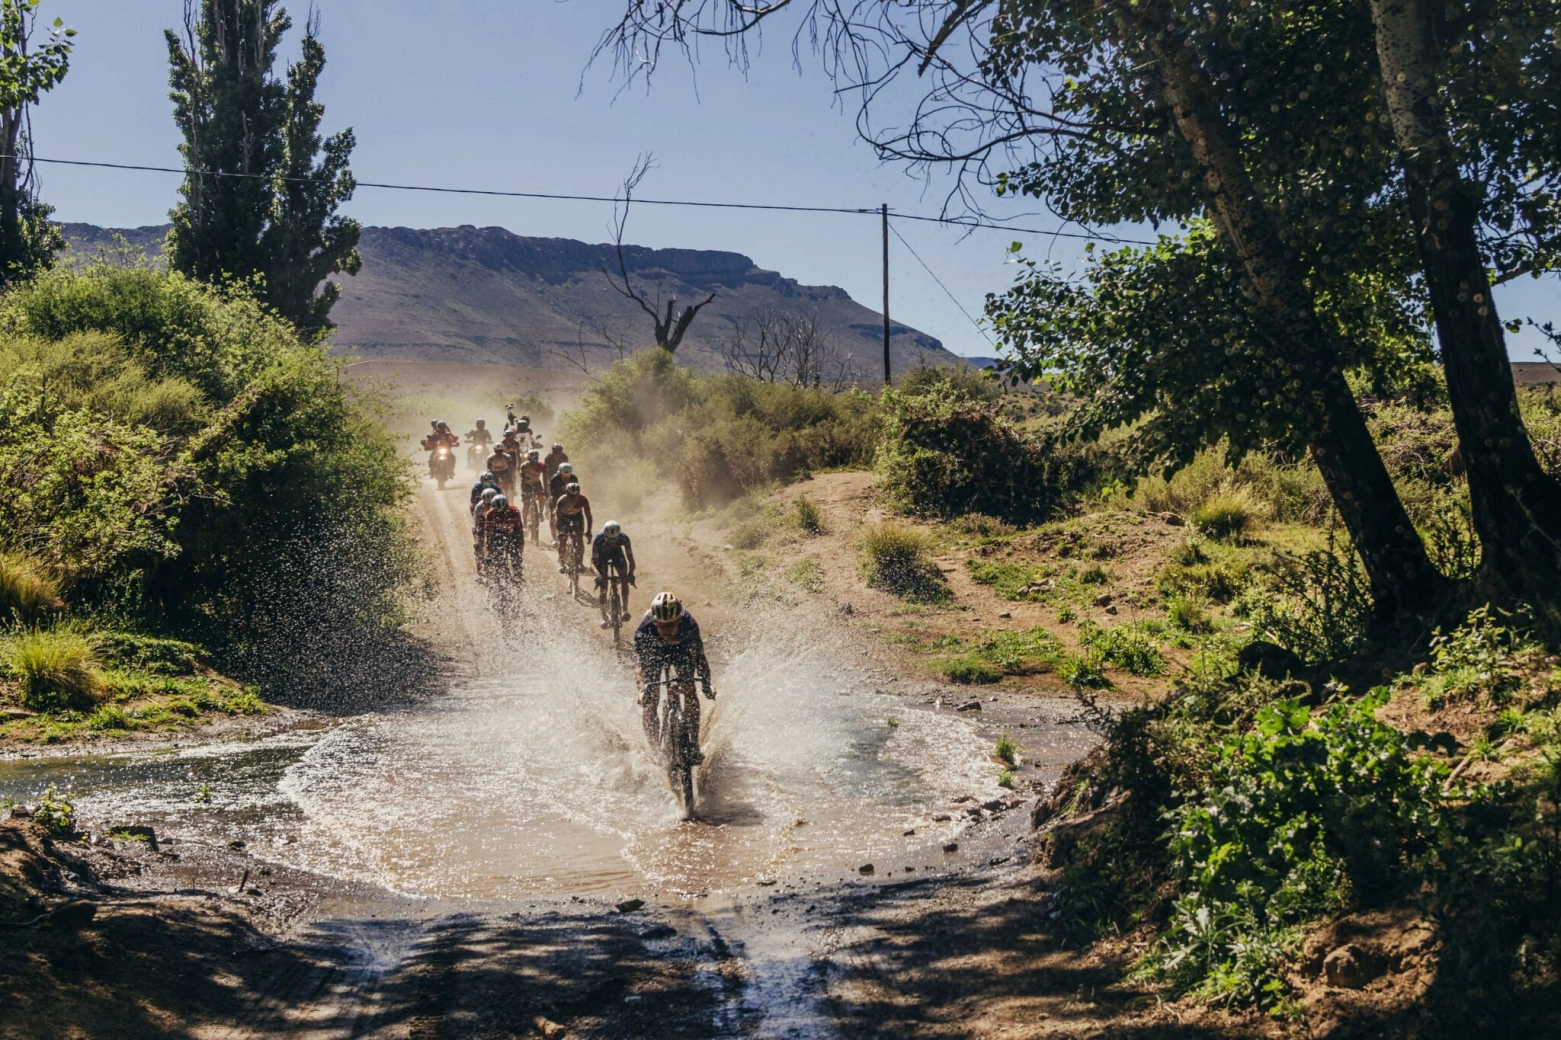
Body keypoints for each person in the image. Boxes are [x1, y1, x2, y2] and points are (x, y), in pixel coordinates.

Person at [632, 592, 714, 755]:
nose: (667, 630)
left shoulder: (689, 624)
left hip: (681, 649)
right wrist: (642, 689)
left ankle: (693, 744)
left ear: (678, 620)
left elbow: (699, 657)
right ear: (655, 623)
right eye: (662, 626)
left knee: (689, 690)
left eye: (671, 625)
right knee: (651, 699)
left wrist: (706, 683)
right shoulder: (644, 630)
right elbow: (639, 667)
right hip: (654, 652)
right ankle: (655, 751)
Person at [591, 520, 637, 629]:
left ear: (618, 536)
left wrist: (630, 574)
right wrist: (598, 575)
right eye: (609, 539)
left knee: (624, 577)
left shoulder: (624, 538)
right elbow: (592, 563)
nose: (612, 541)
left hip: (616, 553)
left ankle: (624, 610)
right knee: (603, 586)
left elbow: (631, 560)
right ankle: (603, 615)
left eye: (614, 539)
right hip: (602, 555)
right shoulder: (598, 539)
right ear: (605, 535)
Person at [482, 493, 525, 585]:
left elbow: (519, 529)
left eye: (503, 511)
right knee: (496, 557)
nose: (501, 513)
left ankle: (518, 574)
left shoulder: (514, 511)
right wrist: (489, 548)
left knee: (515, 556)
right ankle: (498, 573)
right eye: (498, 512)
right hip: (497, 534)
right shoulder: (490, 513)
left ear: (507, 507)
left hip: (512, 533)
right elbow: (488, 532)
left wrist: (520, 545)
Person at [554, 482, 593, 574]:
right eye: (571, 496)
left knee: (579, 539)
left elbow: (588, 516)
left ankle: (580, 562)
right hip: (564, 517)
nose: (574, 498)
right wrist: (560, 531)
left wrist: (589, 531)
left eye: (576, 495)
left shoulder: (583, 499)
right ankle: (562, 562)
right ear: (567, 493)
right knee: (563, 540)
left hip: (577, 517)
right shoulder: (561, 501)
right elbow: (558, 518)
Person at [518, 449, 550, 545]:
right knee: (526, 504)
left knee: (541, 497)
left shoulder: (542, 466)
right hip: (527, 484)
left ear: (537, 459)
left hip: (537, 483)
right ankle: (524, 522)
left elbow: (544, 479)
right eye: (531, 461)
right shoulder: (524, 466)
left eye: (535, 460)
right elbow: (522, 480)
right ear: (528, 459)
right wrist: (523, 492)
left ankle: (540, 512)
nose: (533, 463)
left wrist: (546, 490)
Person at [472, 486, 500, 577]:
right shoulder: (479, 506)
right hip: (481, 523)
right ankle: (479, 568)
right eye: (486, 503)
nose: (488, 505)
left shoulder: (499, 503)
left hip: (493, 523)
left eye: (490, 504)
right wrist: (476, 533)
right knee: (478, 546)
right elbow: (476, 521)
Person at [487, 430, 520, 497]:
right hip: (495, 471)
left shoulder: (516, 444)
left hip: (508, 464)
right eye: (497, 451)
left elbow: (518, 454)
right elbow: (489, 469)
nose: (499, 453)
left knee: (511, 478)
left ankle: (511, 490)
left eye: (500, 451)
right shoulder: (491, 457)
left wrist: (510, 479)